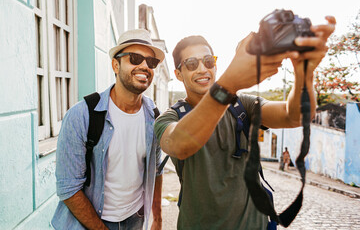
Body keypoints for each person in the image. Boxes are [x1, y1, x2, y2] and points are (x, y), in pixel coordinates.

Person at [154, 16, 336, 229]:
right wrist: (229, 84)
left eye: (208, 61)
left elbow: (294, 115)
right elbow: (179, 144)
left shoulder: (243, 106)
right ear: (178, 73)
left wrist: (304, 72)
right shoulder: (169, 118)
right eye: (192, 64)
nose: (203, 69)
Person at [52, 29, 164, 230]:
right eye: (135, 58)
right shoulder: (82, 115)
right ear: (116, 64)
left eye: (151, 62)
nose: (144, 66)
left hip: (136, 219)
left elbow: (156, 170)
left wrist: (157, 218)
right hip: (90, 222)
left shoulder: (154, 116)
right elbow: (68, 188)